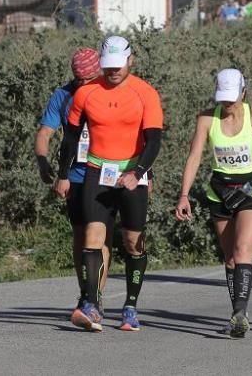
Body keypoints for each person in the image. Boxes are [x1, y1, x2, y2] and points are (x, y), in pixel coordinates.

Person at [64, 36, 163, 332]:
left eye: (118, 66)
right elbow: (70, 137)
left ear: (131, 61)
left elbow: (155, 140)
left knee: (133, 243)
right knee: (93, 235)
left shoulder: (145, 93)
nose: (113, 72)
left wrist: (138, 172)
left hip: (133, 174)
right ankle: (91, 305)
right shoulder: (87, 92)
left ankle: (130, 306)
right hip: (97, 171)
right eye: (108, 67)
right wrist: (62, 174)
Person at [176, 69, 252, 338]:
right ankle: (238, 313)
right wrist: (184, 194)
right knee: (230, 258)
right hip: (220, 193)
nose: (227, 104)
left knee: (243, 248)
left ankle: (239, 314)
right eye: (223, 98)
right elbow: (194, 158)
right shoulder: (206, 119)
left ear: (243, 92)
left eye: (232, 98)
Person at [35, 47, 105, 323]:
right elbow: (45, 133)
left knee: (100, 235)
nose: (84, 85)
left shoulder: (110, 93)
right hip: (75, 175)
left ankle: (95, 297)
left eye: (89, 79)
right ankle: (86, 292)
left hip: (105, 174)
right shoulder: (62, 96)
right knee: (80, 236)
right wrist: (43, 161)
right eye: (79, 81)